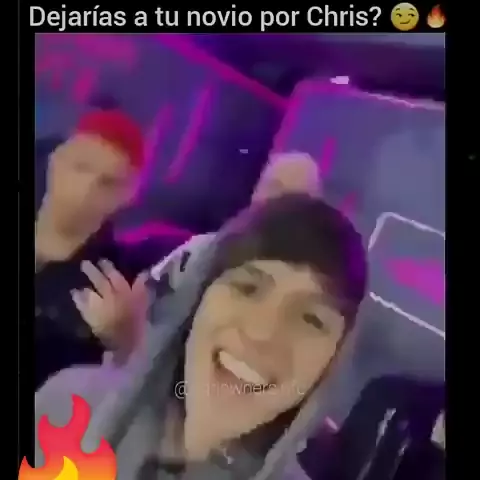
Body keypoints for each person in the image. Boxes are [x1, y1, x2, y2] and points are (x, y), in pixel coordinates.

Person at [33, 194, 367, 479]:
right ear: (198, 297)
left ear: (332, 362)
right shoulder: (68, 407)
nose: (262, 333)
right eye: (247, 288)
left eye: (311, 319)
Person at [35, 109, 150, 389]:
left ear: (128, 195)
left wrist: (122, 345)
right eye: (81, 167)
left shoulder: (113, 291)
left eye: (108, 182)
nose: (86, 189)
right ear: (56, 161)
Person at [150, 152, 323, 296]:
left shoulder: (305, 287)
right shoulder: (201, 251)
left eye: (292, 198)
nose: (278, 202)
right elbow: (148, 291)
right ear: (256, 191)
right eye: (273, 187)